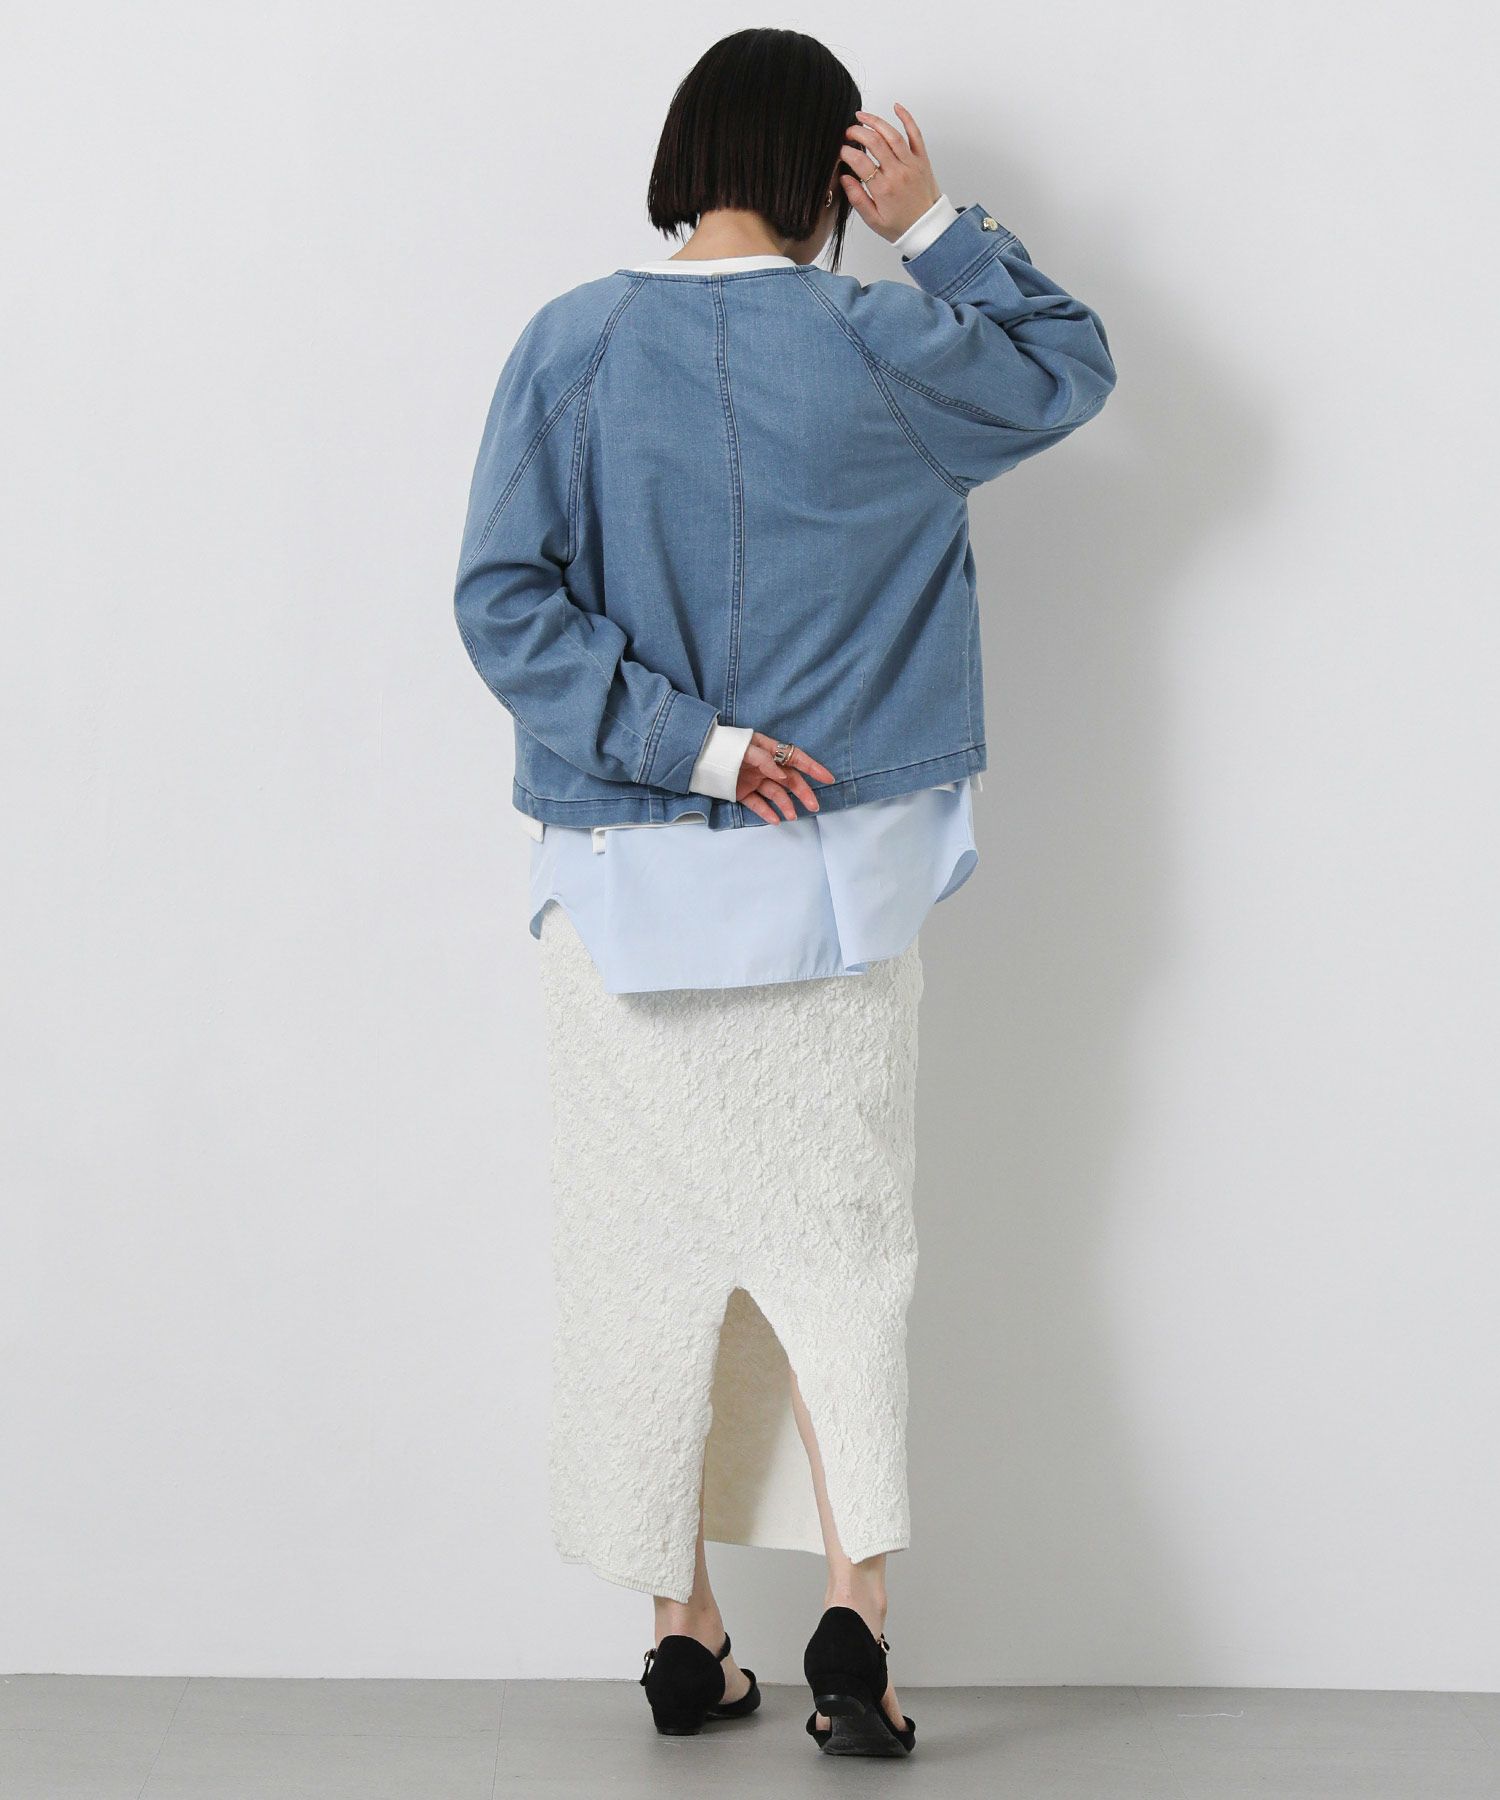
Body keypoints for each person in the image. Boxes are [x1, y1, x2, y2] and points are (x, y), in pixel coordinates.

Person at [453, 27, 1115, 1759]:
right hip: (837, 901)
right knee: (844, 1265)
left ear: (689, 152)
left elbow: (503, 600)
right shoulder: (881, 341)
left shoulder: (571, 342)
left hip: (624, 900)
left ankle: (683, 1636)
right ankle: (854, 1623)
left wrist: (690, 747)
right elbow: (1069, 370)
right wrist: (935, 225)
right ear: (828, 167)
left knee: (640, 1269)